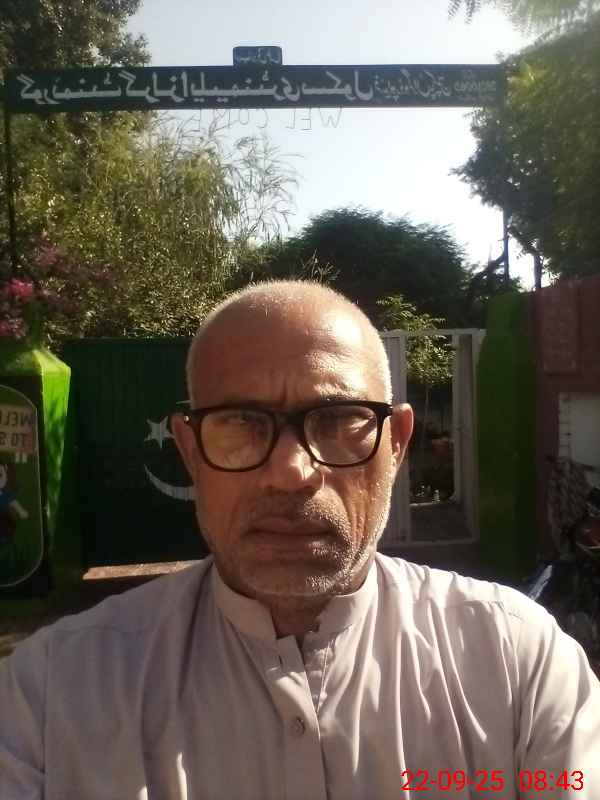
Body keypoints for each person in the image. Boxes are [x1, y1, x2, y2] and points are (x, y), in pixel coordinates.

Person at [1, 280, 598, 800]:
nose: (291, 472)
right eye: (241, 422)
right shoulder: (49, 698)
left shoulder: (516, 662)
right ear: (189, 451)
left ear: (396, 445)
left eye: (337, 420)